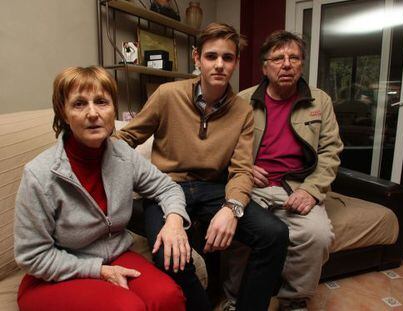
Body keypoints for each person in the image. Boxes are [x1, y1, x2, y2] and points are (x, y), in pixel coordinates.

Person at [117, 23, 289, 311]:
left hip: (213, 189)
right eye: (211, 56)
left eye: (228, 57)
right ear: (196, 58)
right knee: (169, 254)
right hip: (166, 189)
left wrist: (232, 208)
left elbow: (242, 170)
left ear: (235, 62)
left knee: (275, 234)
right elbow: (127, 139)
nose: (219, 65)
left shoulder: (243, 111)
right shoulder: (167, 94)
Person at [14, 66, 188, 311]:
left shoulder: (124, 155)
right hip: (55, 273)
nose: (93, 113)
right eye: (79, 104)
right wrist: (98, 270)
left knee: (168, 297)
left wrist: (174, 221)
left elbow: (166, 188)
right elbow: (32, 256)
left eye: (101, 102)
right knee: (127, 308)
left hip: (115, 254)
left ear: (113, 109)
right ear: (63, 113)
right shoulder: (39, 175)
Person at [222, 30, 344, 311]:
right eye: (278, 58)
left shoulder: (320, 101)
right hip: (252, 186)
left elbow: (331, 151)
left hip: (297, 186)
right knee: (240, 231)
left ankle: (294, 300)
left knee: (318, 235)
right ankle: (234, 300)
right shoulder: (242, 100)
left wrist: (312, 190)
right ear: (265, 66)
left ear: (302, 64)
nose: (286, 64)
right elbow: (222, 147)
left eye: (294, 58)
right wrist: (246, 168)